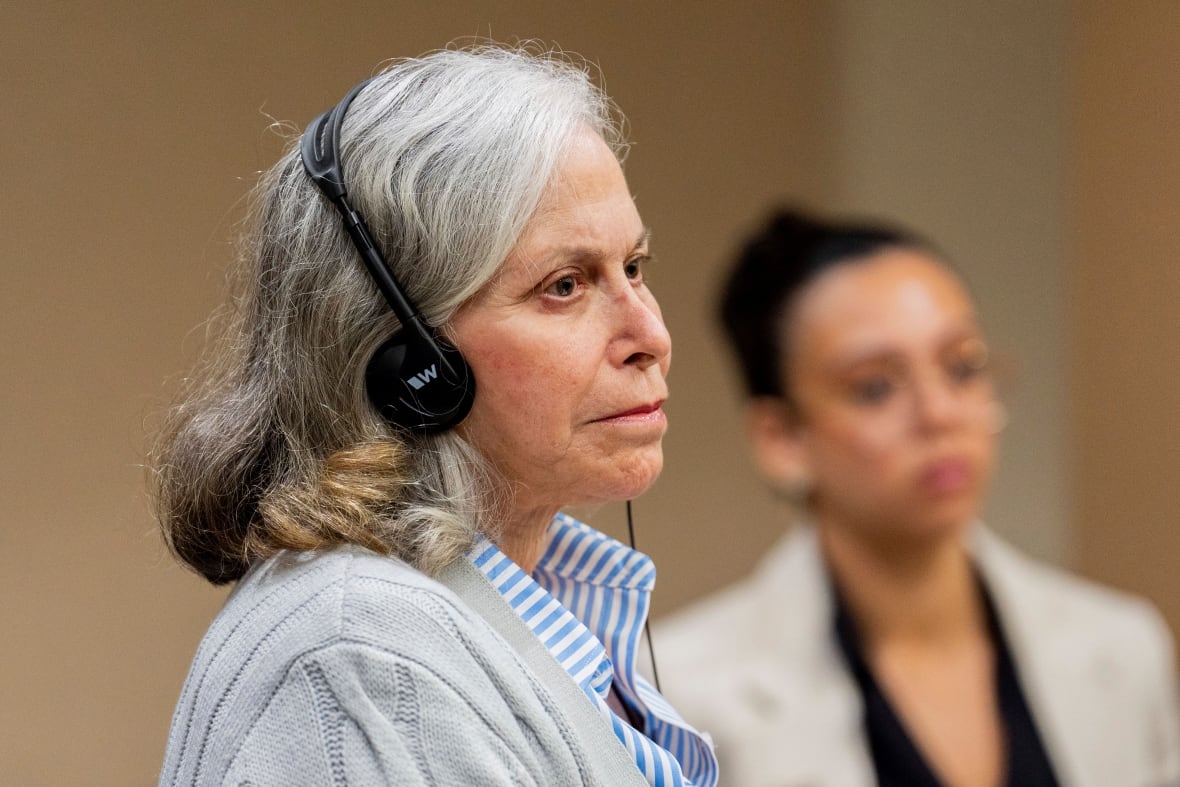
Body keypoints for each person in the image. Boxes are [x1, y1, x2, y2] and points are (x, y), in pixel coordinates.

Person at [152, 44, 717, 786]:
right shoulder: (364, 668)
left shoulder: (517, 605)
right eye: (566, 285)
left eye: (634, 268)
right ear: (412, 358)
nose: (652, 336)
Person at [655, 207, 1180, 787]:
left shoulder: (1122, 648)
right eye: (875, 387)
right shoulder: (681, 698)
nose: (939, 414)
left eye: (962, 368)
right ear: (782, 438)